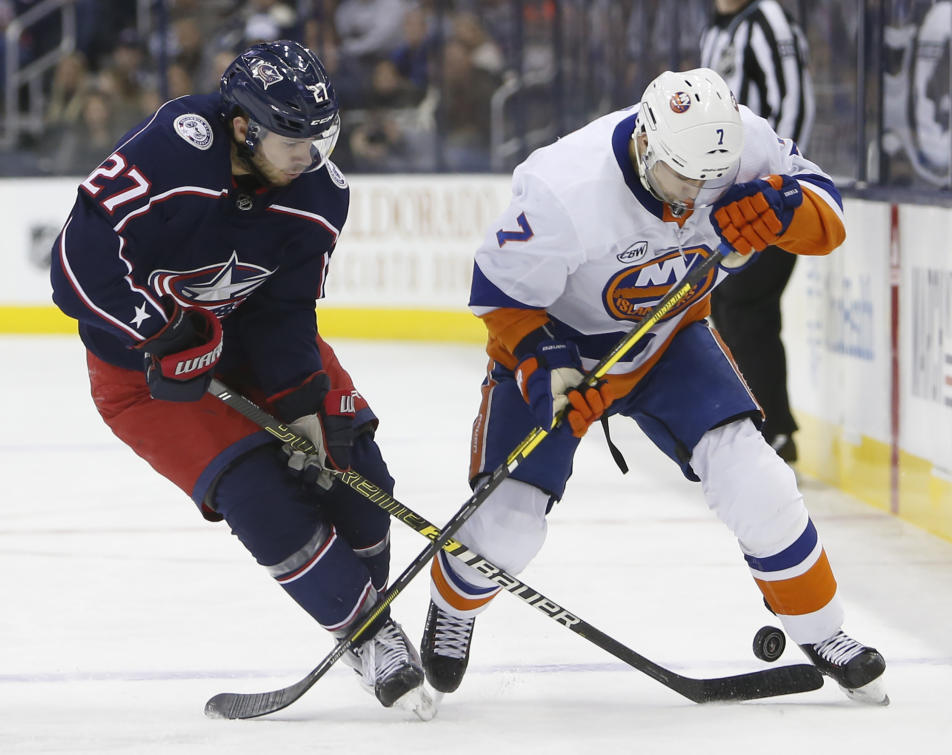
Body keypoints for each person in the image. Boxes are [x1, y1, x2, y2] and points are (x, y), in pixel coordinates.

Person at [419, 67, 888, 706]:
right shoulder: (564, 185)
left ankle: (824, 631)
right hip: (569, 353)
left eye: (711, 180)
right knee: (505, 528)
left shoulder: (737, 142)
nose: (697, 195)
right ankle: (454, 605)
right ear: (645, 142)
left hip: (669, 340)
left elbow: (826, 213)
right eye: (683, 177)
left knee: (760, 480)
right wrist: (544, 362)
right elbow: (500, 294)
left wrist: (783, 206)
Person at [49, 40, 434, 719]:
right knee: (262, 495)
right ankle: (369, 632)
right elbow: (77, 259)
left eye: (320, 139)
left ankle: (363, 620)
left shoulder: (318, 195)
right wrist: (154, 329)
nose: (309, 157)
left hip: (247, 342)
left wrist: (303, 404)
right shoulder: (174, 149)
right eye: (293, 140)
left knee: (358, 474)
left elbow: (284, 308)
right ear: (242, 125)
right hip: (140, 372)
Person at [699, 0, 815, 463]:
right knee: (726, 304)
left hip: (769, 198)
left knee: (747, 306)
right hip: (723, 200)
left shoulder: (768, 19)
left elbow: (795, 103)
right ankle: (755, 426)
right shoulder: (717, 30)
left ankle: (772, 430)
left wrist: (776, 183)